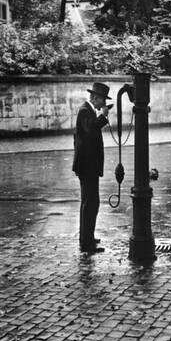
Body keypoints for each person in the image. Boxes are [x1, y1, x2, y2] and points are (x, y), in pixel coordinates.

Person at [72, 82, 111, 254]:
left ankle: (88, 237)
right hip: (86, 166)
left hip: (89, 165)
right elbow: (89, 131)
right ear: (95, 98)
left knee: (91, 202)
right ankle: (86, 242)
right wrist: (103, 117)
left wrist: (101, 116)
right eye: (102, 101)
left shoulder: (88, 111)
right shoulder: (84, 111)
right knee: (90, 203)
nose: (103, 104)